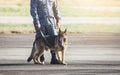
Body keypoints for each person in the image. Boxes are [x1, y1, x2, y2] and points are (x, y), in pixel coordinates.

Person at [30, 0, 61, 64]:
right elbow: (33, 9)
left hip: (51, 21)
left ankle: (54, 58)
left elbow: (56, 8)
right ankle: (40, 58)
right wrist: (36, 21)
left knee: (54, 39)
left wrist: (58, 20)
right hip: (40, 21)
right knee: (40, 39)